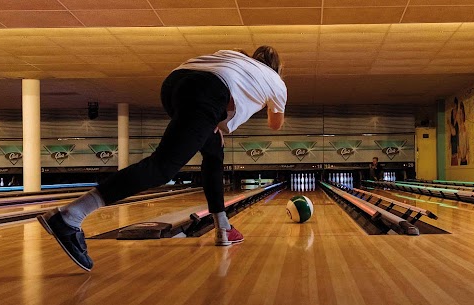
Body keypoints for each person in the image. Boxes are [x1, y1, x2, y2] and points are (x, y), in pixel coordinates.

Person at [37, 46, 287, 271]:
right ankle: (69, 217)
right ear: (277, 69)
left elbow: (221, 81)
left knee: (214, 152)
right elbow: (275, 124)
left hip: (175, 84)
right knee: (162, 168)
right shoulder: (276, 82)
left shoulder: (236, 58)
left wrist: (216, 121)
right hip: (208, 93)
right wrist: (268, 101)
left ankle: (223, 227)